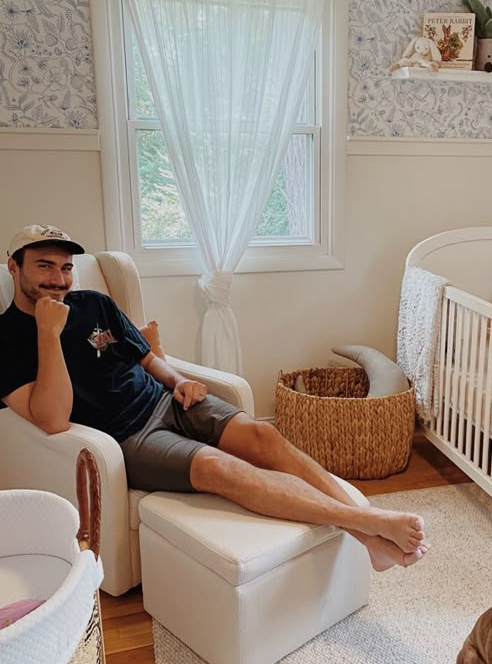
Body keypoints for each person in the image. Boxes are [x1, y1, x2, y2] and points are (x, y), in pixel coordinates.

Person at [0, 224, 427, 572]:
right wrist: (47, 333)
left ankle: (368, 538)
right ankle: (366, 523)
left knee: (265, 440)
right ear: (13, 268)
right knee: (224, 469)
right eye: (44, 266)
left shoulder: (94, 302)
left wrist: (178, 380)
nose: (58, 279)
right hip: (129, 438)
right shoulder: (6, 339)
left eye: (65, 268)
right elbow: (52, 420)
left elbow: (146, 356)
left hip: (168, 401)